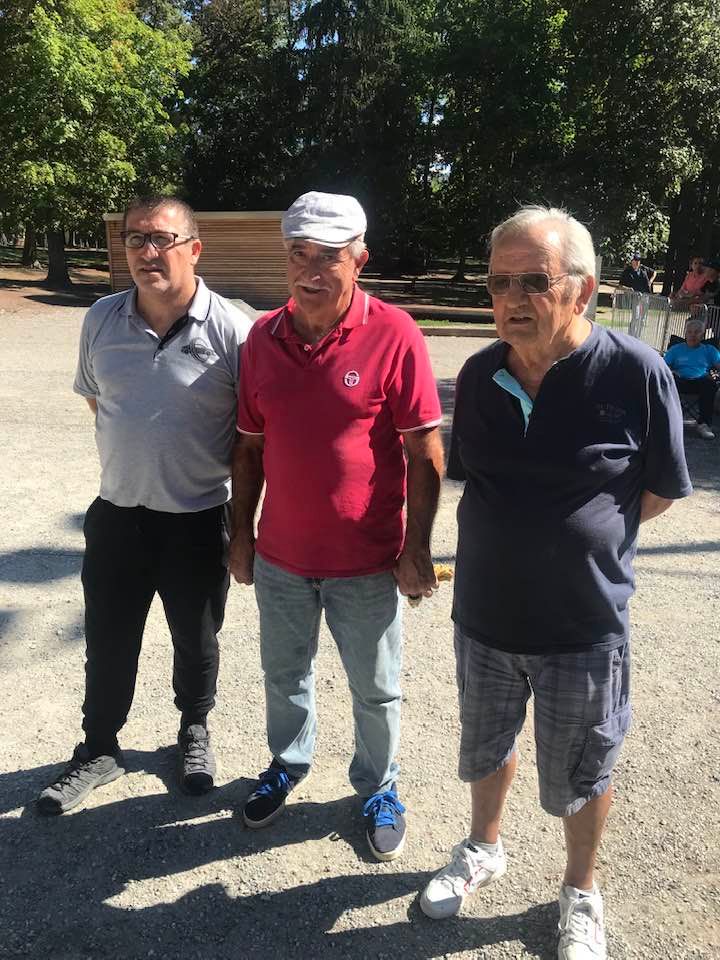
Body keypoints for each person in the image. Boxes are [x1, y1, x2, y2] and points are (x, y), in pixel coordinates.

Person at [420, 206, 692, 960]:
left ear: (583, 290)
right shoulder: (480, 374)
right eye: (497, 282)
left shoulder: (637, 371)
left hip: (583, 623)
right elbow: (476, 476)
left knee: (584, 765)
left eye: (532, 281)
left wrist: (586, 536)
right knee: (485, 746)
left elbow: (660, 490)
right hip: (484, 614)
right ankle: (483, 847)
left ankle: (580, 890)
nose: (509, 298)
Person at [230, 191, 443, 862]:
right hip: (282, 557)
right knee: (282, 672)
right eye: (299, 254)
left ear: (360, 259)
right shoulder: (262, 339)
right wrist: (241, 534)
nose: (311, 271)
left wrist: (417, 550)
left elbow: (424, 450)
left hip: (367, 562)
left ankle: (378, 786)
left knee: (376, 688)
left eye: (329, 257)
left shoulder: (395, 333)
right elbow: (249, 448)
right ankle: (287, 765)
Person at [37, 196, 253, 815]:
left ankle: (192, 732)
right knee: (108, 639)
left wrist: (241, 530)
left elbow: (249, 439)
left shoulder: (234, 329)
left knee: (197, 637)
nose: (146, 252)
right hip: (118, 516)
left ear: (194, 247)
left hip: (196, 518)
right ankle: (99, 748)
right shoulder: (102, 319)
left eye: (161, 239)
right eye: (135, 240)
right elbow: (97, 401)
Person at [664, 317, 720, 439]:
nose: (692, 335)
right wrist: (672, 371)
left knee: (710, 384)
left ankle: (704, 425)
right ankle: (667, 421)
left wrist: (715, 376)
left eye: (697, 332)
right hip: (680, 381)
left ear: (703, 334)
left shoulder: (710, 350)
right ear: (685, 333)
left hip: (701, 382)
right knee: (667, 380)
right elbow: (662, 367)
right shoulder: (675, 349)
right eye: (689, 332)